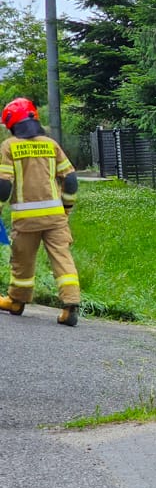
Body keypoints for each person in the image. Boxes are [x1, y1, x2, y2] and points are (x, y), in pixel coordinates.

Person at [0, 98, 80, 325]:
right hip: (55, 217)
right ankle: (70, 305)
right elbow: (71, 180)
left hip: (26, 221)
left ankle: (16, 301)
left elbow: (4, 186)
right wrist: (66, 208)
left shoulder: (9, 146)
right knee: (63, 259)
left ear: (11, 123)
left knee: (22, 261)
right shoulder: (51, 144)